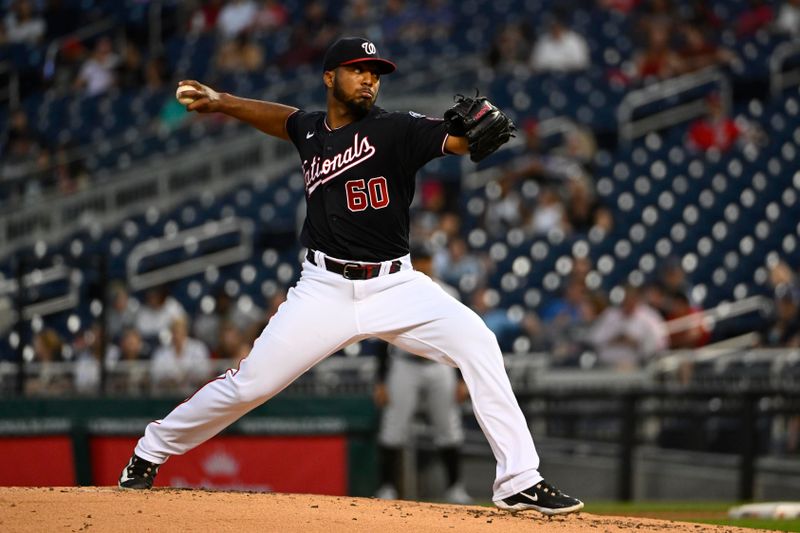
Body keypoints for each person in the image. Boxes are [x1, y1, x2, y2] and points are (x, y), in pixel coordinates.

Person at [117, 36, 583, 516]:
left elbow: (455, 139)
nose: (369, 79)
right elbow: (280, 118)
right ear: (329, 77)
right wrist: (223, 102)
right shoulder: (310, 130)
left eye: (375, 73)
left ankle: (519, 479)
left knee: (478, 343)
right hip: (324, 290)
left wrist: (471, 135)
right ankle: (150, 450)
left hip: (396, 285)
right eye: (358, 69)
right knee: (249, 385)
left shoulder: (397, 129)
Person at [373, 246, 472, 505]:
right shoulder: (394, 292)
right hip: (404, 364)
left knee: (448, 426)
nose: (424, 265)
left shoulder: (448, 292)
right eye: (419, 261)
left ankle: (454, 488)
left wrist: (463, 377)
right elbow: (379, 338)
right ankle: (387, 487)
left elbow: (460, 337)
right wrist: (380, 379)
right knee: (393, 426)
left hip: (440, 365)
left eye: (427, 260)